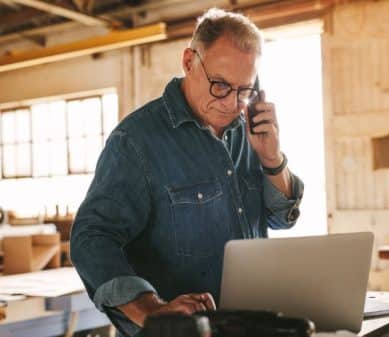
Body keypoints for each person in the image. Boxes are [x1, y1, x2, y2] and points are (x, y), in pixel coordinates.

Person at [70, 8, 304, 337]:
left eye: (244, 90)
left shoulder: (249, 131)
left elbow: (282, 218)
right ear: (189, 61)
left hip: (249, 326)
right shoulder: (136, 141)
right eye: (220, 85)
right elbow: (91, 239)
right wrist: (151, 310)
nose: (232, 104)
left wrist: (272, 158)